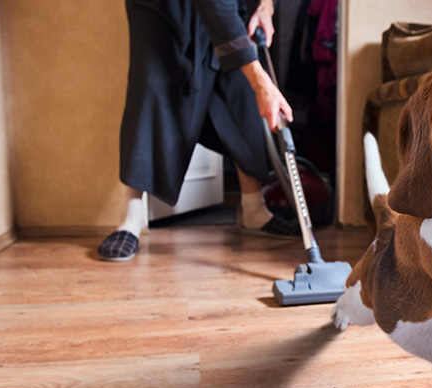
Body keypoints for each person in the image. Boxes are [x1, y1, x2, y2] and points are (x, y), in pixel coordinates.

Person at [98, 0, 299, 262]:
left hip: (224, 6)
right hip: (161, 9)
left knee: (238, 91)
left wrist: (266, 6)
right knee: (152, 87)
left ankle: (254, 211)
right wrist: (261, 82)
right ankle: (132, 218)